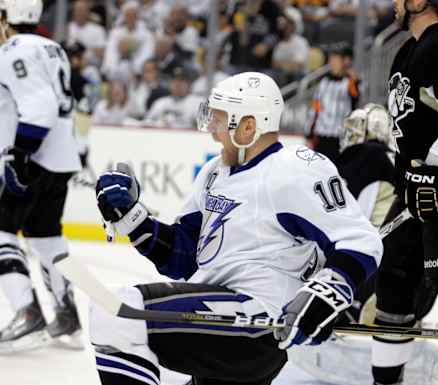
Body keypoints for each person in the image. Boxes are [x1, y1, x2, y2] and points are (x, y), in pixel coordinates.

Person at [90, 72, 383, 385]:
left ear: (248, 126)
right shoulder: (214, 172)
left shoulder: (296, 169)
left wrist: (324, 293)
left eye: (220, 120)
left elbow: (360, 241)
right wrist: (134, 220)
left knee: (117, 314)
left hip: (260, 319)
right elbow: (184, 258)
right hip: (223, 319)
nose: (213, 131)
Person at [371, 1, 438, 384]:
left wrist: (432, 170)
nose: (393, 5)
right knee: (393, 282)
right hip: (415, 188)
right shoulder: (407, 50)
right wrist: (415, 178)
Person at [0, 0, 83, 351]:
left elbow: (40, 107)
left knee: (1, 228)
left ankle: (27, 312)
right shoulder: (53, 48)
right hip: (62, 156)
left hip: (35, 157)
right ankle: (67, 316)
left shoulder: (14, 50)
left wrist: (19, 155)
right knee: (46, 235)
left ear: (8, 18)